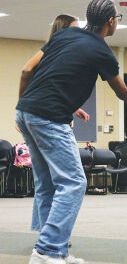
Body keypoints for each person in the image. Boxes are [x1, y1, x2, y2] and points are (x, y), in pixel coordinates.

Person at [16, 0, 127, 264]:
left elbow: (27, 70)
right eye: (118, 18)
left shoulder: (66, 34)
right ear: (110, 21)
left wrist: (24, 107)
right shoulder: (102, 52)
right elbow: (124, 93)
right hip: (49, 118)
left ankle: (55, 248)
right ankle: (46, 250)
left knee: (48, 181)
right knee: (74, 182)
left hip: (27, 111)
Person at [23, 15, 90, 246]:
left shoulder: (58, 52)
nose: (79, 32)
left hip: (37, 115)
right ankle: (51, 236)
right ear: (63, 30)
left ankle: (46, 232)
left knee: (46, 181)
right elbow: (27, 71)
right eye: (75, 28)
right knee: (67, 180)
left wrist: (74, 108)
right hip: (44, 118)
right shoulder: (55, 48)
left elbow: (54, 88)